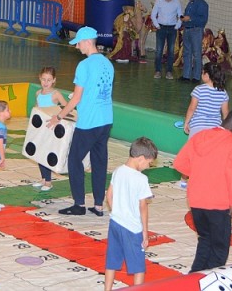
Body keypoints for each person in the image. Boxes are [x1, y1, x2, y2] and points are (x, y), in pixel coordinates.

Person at [46, 26, 114, 216]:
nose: (77, 47)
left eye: (78, 43)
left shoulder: (84, 65)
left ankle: (79, 204)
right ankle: (99, 205)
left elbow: (76, 99)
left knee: (74, 159)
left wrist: (58, 117)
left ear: (87, 42)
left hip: (89, 122)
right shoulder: (108, 64)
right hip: (106, 119)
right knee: (99, 161)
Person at [173, 110, 232, 273]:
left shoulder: (200, 135)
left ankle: (194, 279)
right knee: (219, 250)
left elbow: (179, 163)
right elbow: (231, 173)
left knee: (205, 240)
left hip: (195, 199)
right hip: (218, 202)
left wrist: (200, 174)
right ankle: (210, 282)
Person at [104, 137, 157, 290]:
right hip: (132, 228)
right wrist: (145, 232)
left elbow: (109, 195)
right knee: (138, 266)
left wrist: (118, 212)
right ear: (141, 159)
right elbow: (143, 207)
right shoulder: (141, 179)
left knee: (112, 260)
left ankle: (107, 289)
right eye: (149, 163)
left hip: (115, 223)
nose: (148, 166)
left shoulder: (118, 170)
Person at [32, 66, 68, 191]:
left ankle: (48, 181)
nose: (46, 82)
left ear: (54, 80)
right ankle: (43, 178)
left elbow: (67, 108)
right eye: (43, 79)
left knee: (46, 153)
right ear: (39, 79)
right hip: (41, 128)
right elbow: (37, 109)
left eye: (49, 80)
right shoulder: (38, 93)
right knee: (39, 153)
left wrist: (57, 117)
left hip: (51, 128)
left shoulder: (56, 94)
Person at [184, 62, 230, 139]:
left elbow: (192, 108)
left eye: (202, 73)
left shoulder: (198, 89)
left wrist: (186, 122)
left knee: (193, 149)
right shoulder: (223, 93)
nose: (201, 75)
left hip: (197, 126)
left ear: (207, 75)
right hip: (214, 128)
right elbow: (225, 113)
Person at [150, 0, 183, 79]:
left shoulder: (177, 2)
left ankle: (169, 71)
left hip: (172, 29)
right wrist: (157, 25)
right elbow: (153, 15)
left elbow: (180, 15)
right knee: (159, 50)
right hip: (161, 28)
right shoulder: (159, 1)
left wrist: (177, 26)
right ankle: (157, 71)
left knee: (171, 51)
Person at [180, 0, 209, 82]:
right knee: (186, 53)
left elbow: (203, 20)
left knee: (196, 54)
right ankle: (186, 76)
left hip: (196, 30)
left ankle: (196, 77)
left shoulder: (202, 4)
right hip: (187, 29)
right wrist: (183, 19)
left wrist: (190, 18)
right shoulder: (190, 4)